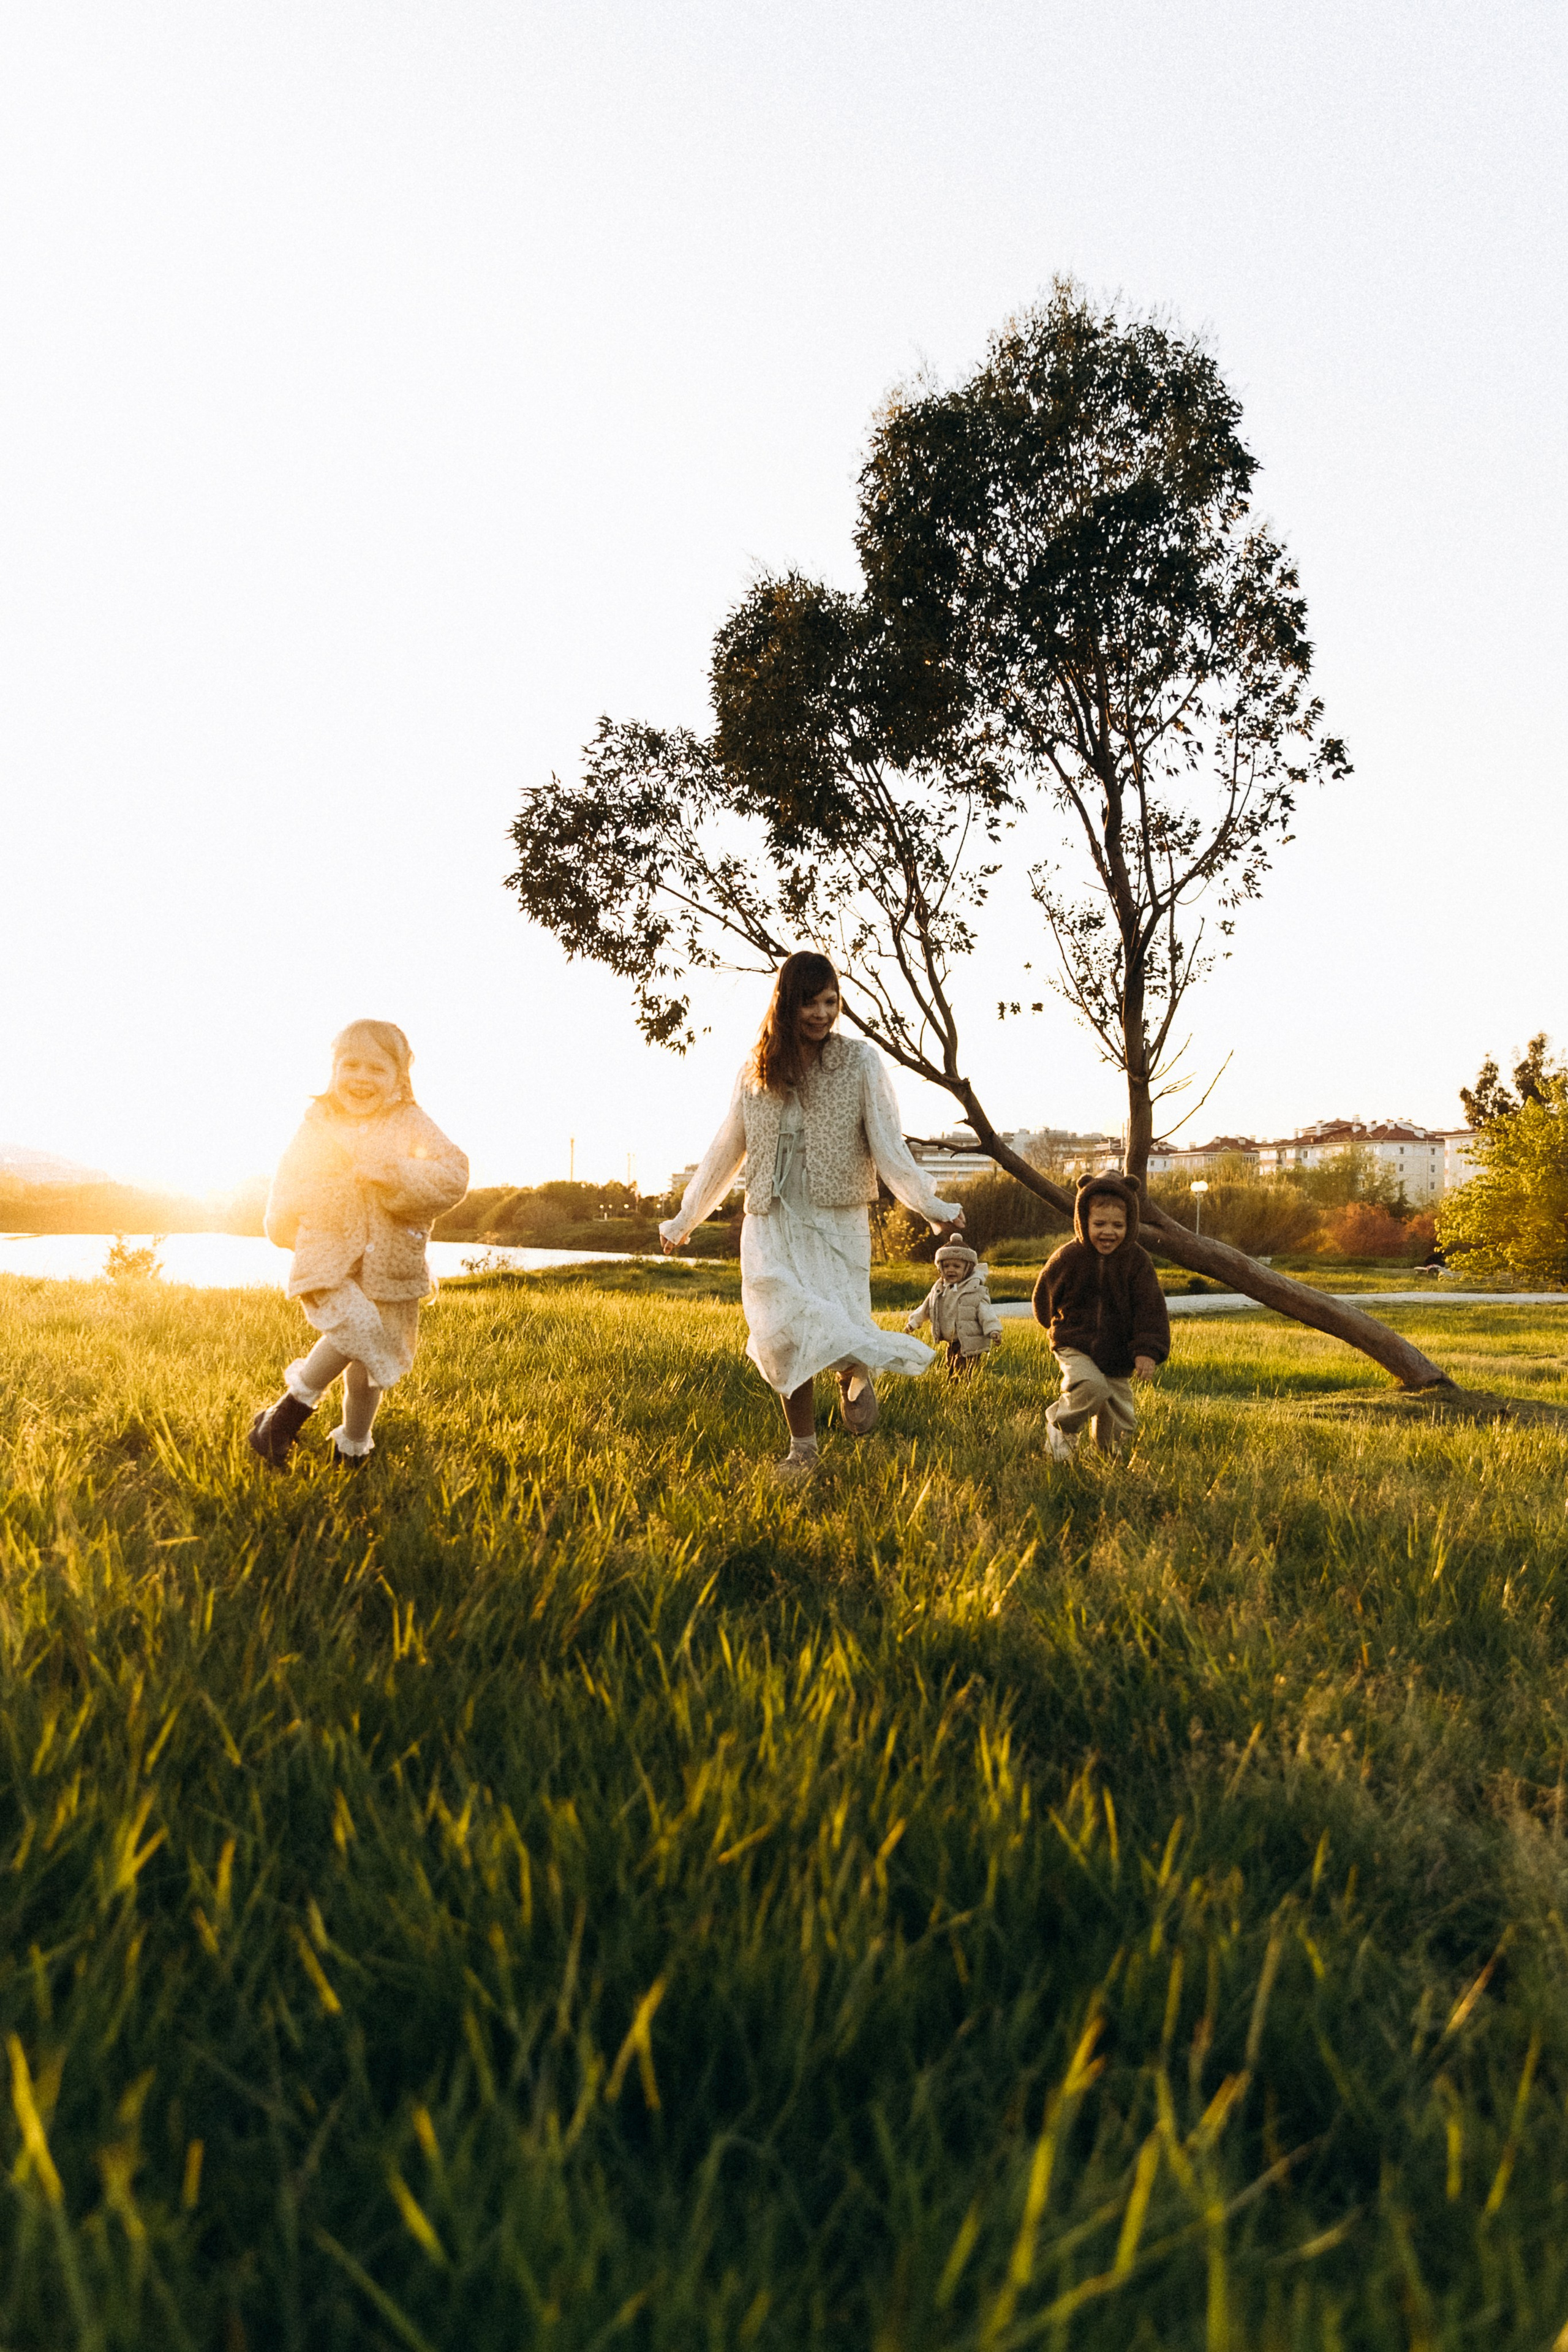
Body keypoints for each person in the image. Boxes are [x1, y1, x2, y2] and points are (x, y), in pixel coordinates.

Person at [659, 952, 963, 1479]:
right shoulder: (756, 1071)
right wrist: (687, 1218)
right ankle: (803, 1451)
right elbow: (726, 1149)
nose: (823, 1014)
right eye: (810, 1003)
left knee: (835, 1321)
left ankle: (853, 1367)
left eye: (831, 1002)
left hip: (835, 1216)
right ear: (786, 1004)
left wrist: (929, 1205)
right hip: (771, 1218)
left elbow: (888, 1145)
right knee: (782, 1333)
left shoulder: (860, 1062)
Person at [248, 1020, 469, 1469]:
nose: (361, 1078)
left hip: (391, 1260)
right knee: (358, 1329)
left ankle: (353, 1444)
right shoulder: (319, 1123)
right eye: (350, 1065)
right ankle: (284, 1418)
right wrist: (282, 1222)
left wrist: (396, 1172)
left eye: (376, 1069)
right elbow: (289, 1177)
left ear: (399, 1078)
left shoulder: (411, 1122)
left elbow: (454, 1175)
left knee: (368, 1367)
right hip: (328, 1255)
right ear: (333, 1069)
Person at [1031, 1174, 1169, 1461]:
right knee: (1091, 1387)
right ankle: (1061, 1426)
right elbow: (1045, 1292)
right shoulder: (1069, 1257)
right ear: (1084, 1221)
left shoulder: (1137, 1262)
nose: (1109, 1232)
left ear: (1130, 1225)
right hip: (1074, 1342)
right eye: (1100, 1224)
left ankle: (1108, 1463)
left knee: (1120, 1422)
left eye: (1118, 1225)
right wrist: (1050, 1322)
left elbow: (1150, 1309)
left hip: (1119, 1351)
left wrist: (1147, 1351)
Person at [905, 1242, 1003, 1375]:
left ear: (968, 1269)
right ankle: (953, 1391)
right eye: (946, 1266)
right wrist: (914, 1323)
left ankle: (963, 1392)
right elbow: (926, 1308)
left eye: (957, 1266)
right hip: (952, 1340)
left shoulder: (974, 1291)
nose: (951, 1270)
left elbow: (986, 1313)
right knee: (950, 1367)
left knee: (961, 1369)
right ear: (940, 1268)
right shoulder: (939, 1289)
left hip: (970, 1340)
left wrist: (993, 1330)